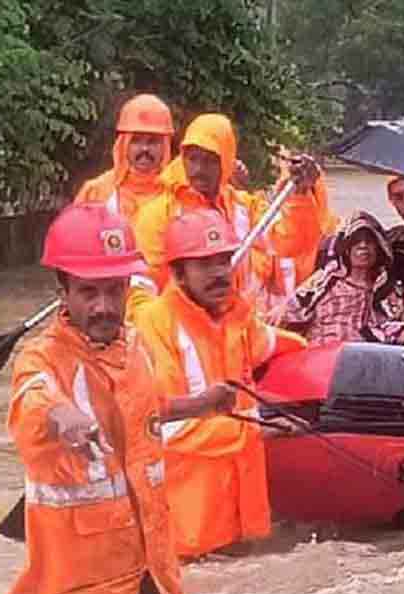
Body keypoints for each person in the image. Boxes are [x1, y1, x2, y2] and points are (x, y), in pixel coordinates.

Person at [2, 204, 235, 594]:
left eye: (114, 290)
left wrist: (200, 405)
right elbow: (33, 400)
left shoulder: (134, 347)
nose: (104, 307)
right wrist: (64, 418)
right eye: (89, 293)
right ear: (64, 294)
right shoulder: (41, 360)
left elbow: (141, 412)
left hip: (154, 571)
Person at [133, 209, 308, 561]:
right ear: (178, 272)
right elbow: (162, 425)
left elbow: (274, 343)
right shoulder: (154, 325)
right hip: (185, 534)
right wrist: (256, 430)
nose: (219, 273)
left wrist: (323, 356)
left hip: (240, 521)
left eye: (224, 261)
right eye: (204, 264)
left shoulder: (235, 317)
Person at [133, 113, 324, 315]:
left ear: (225, 162)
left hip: (239, 331)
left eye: (209, 161)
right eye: (192, 159)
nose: (198, 169)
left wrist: (300, 196)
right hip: (184, 331)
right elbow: (144, 285)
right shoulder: (158, 214)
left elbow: (289, 243)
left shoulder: (244, 207)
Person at [277, 211, 404, 346]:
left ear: (380, 247)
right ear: (345, 248)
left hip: (370, 365)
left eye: (369, 241)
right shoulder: (324, 282)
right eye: (355, 241)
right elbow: (283, 318)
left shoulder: (389, 289)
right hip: (321, 362)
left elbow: (402, 326)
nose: (363, 246)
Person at [74, 94, 174, 223]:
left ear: (165, 147)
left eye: (153, 141)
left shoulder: (180, 196)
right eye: (136, 141)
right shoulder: (96, 192)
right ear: (123, 144)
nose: (144, 149)